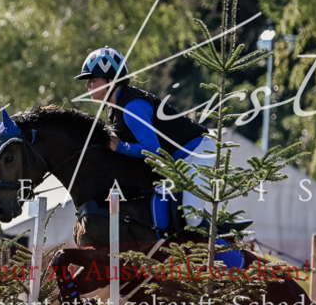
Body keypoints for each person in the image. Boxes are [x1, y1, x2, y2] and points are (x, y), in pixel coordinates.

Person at [76, 46, 217, 228]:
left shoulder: (131, 107)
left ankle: (229, 255)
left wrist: (121, 147)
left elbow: (153, 149)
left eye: (92, 80)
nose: (87, 85)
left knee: (191, 217)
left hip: (197, 155)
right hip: (175, 164)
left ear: (110, 81)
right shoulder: (115, 107)